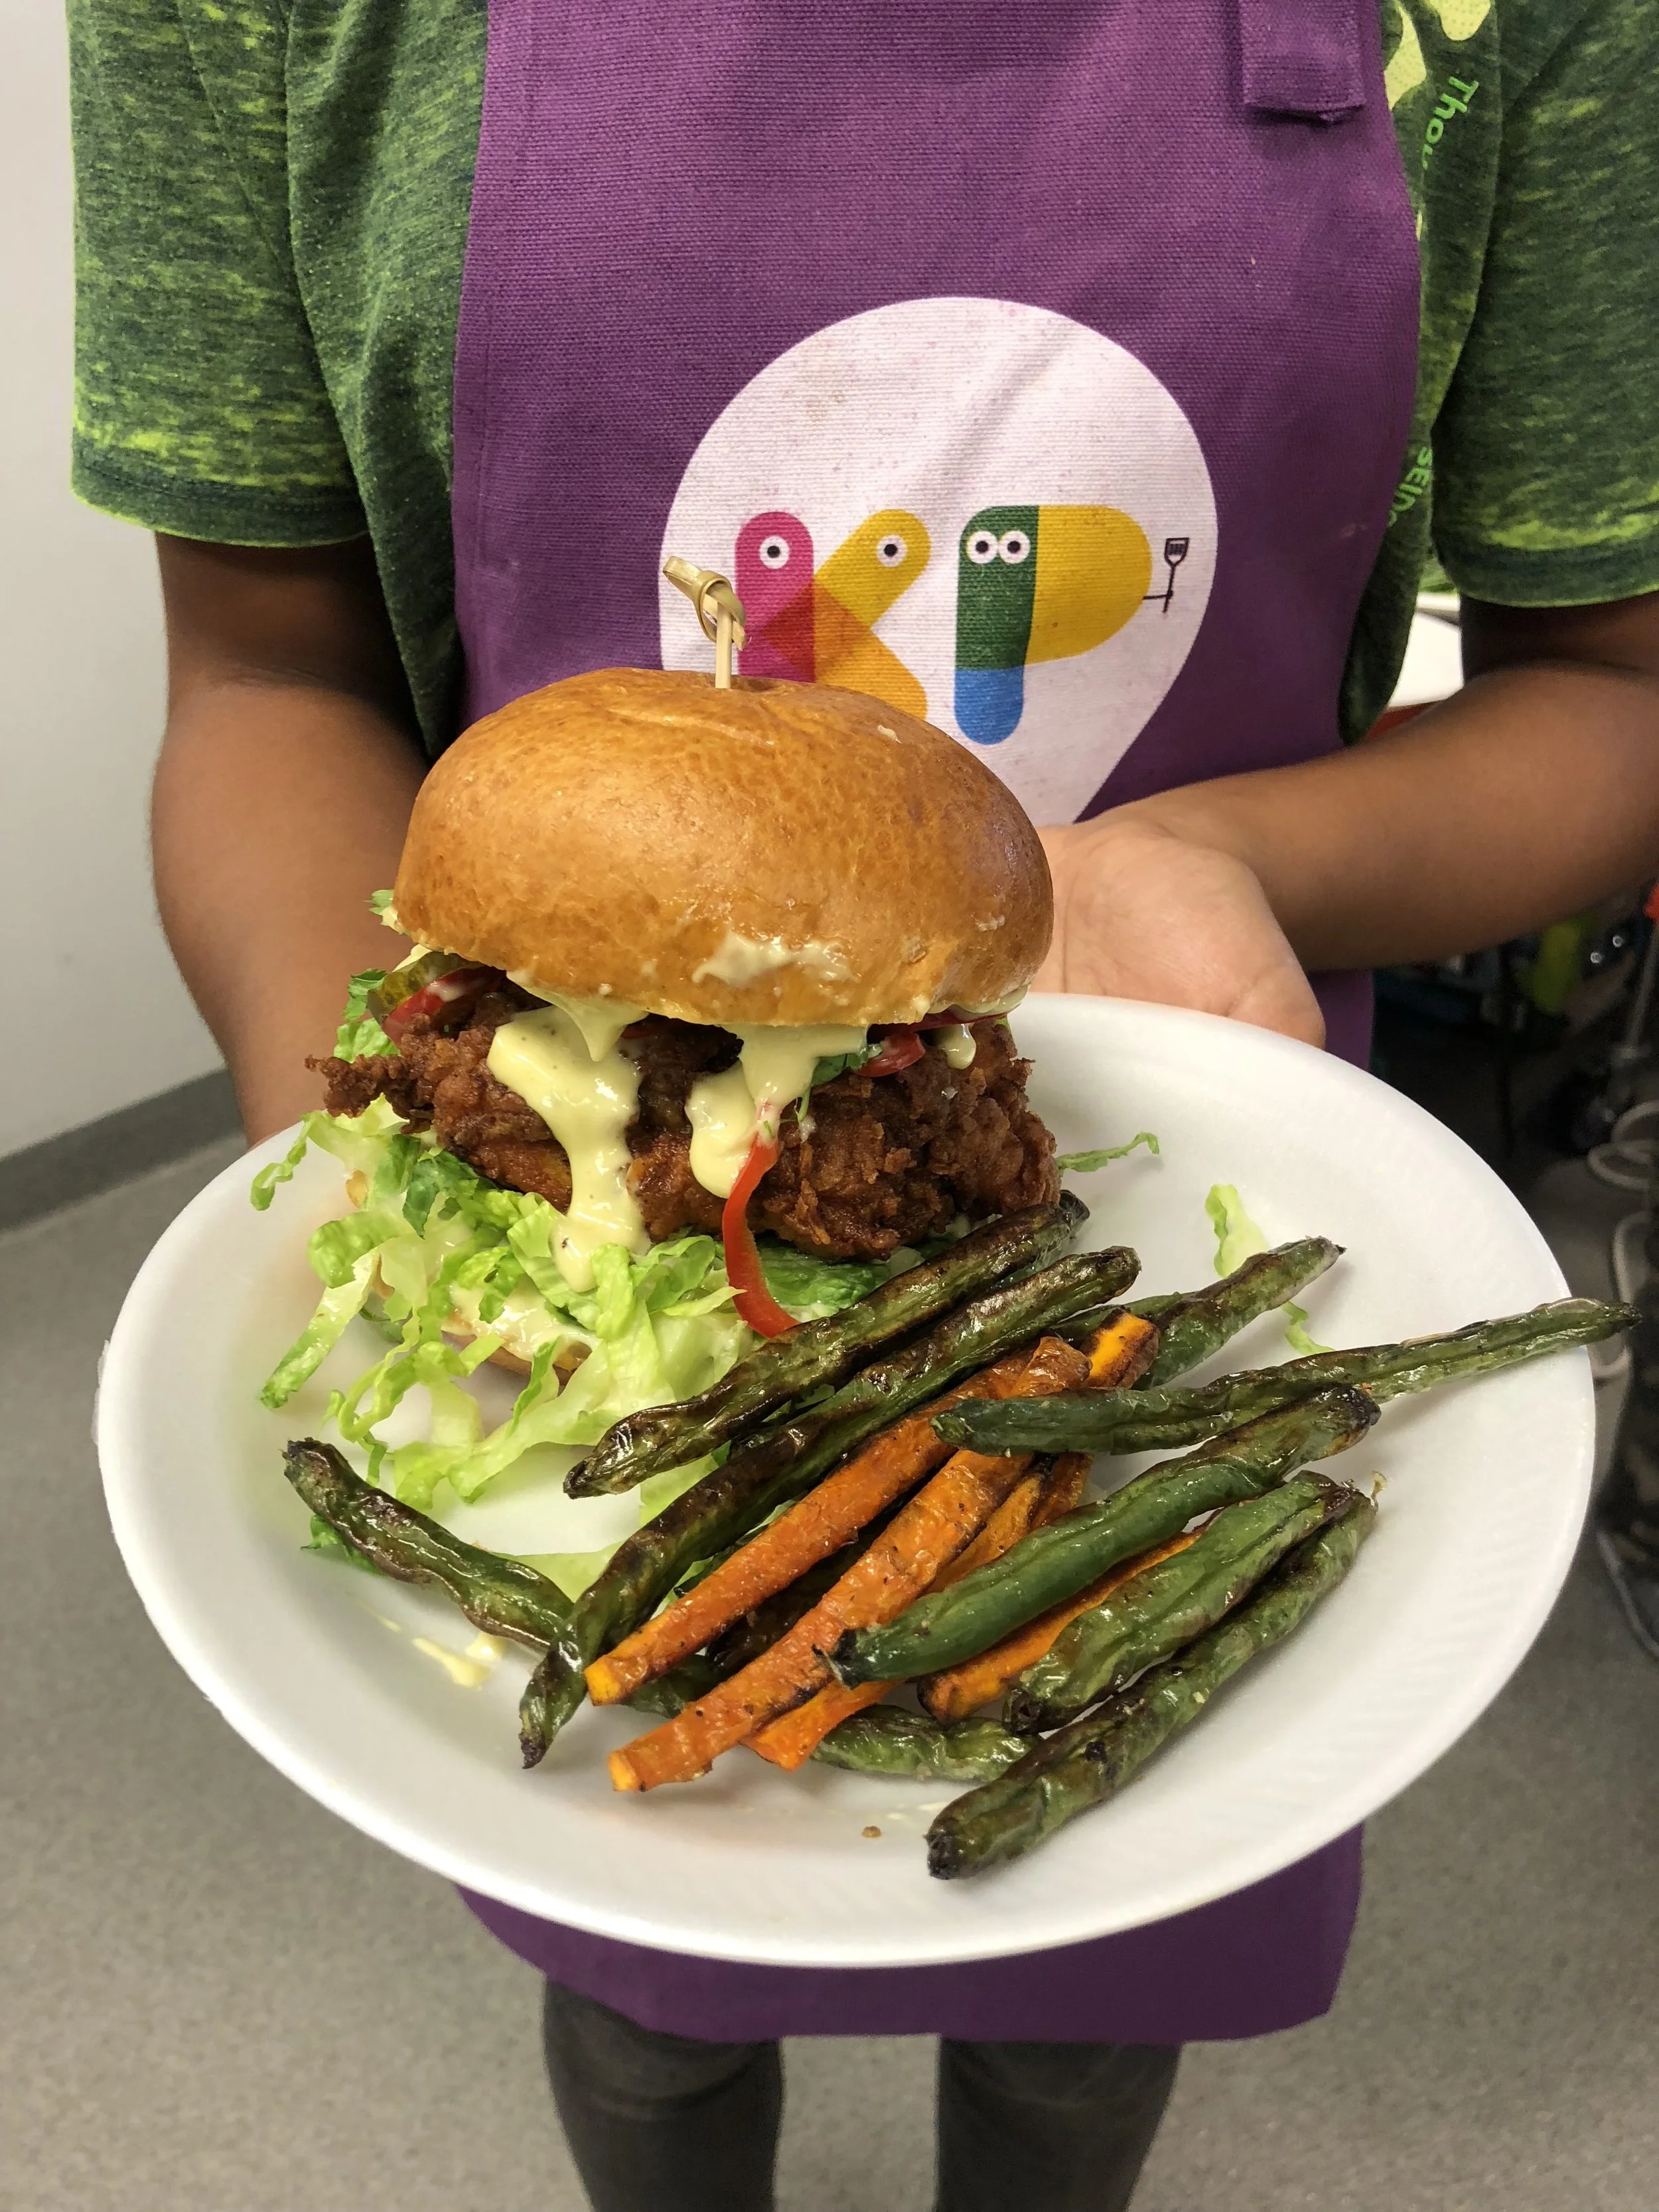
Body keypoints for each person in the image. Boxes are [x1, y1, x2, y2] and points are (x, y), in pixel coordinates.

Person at [70, 1, 1659, 2205]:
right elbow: (262, 671)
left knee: (1105, 1930)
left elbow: (1613, 692)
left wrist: (1224, 862)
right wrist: (458, 1167)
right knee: (636, 1931)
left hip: (1159, 1182)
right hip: (579, 1289)